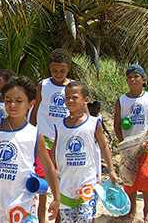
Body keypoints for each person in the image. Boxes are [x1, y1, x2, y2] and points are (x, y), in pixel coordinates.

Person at [0, 76, 60, 222]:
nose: (12, 104)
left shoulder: (34, 134)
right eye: (8, 100)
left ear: (30, 104)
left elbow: (48, 167)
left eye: (19, 101)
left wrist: (56, 197)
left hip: (24, 199)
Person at [51, 81, 118, 223]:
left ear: (85, 100)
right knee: (67, 219)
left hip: (88, 182)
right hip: (66, 184)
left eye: (74, 97)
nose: (70, 100)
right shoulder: (59, 126)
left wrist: (111, 169)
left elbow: (104, 147)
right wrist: (48, 171)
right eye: (67, 97)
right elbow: (55, 151)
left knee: (86, 218)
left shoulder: (93, 123)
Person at [114, 64, 148, 222]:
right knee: (129, 178)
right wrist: (123, 142)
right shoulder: (121, 101)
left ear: (144, 80)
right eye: (129, 77)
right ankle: (131, 210)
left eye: (136, 77)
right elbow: (116, 124)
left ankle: (147, 209)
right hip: (130, 146)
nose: (132, 80)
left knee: (144, 175)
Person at [29, 48, 72, 223]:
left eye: (62, 71)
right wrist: (30, 129)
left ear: (68, 68)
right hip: (44, 139)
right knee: (42, 183)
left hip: (64, 141)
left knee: (60, 185)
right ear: (49, 68)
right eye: (54, 70)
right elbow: (36, 107)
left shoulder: (73, 87)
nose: (58, 74)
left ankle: (58, 219)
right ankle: (41, 220)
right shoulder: (43, 85)